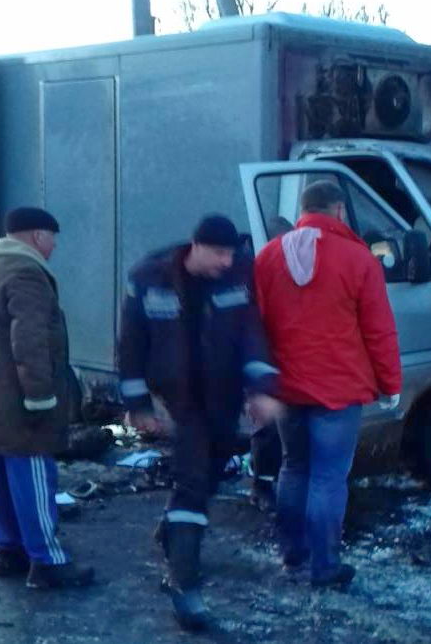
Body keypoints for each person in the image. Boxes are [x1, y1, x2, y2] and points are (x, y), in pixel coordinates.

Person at [118, 214, 283, 631]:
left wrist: (262, 388)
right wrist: (138, 404)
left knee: (211, 473)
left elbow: (251, 334)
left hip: (223, 394)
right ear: (196, 246)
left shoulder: (237, 276)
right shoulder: (149, 277)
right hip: (181, 397)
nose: (227, 261)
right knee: (192, 482)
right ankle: (184, 586)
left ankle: (172, 532)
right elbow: (131, 344)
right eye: (219, 253)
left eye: (231, 253)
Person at [253, 181, 402, 588]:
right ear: (337, 210)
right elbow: (378, 330)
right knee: (328, 477)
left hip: (287, 388)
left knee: (293, 466)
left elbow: (255, 327)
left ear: (303, 211)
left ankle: (292, 553)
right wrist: (390, 383)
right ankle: (325, 567)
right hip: (339, 390)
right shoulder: (358, 259)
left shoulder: (268, 257)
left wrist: (262, 382)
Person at [0, 207, 94, 589]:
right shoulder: (26, 273)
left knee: (2, 476)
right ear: (38, 235)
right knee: (35, 479)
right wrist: (40, 397)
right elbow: (31, 341)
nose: (54, 246)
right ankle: (47, 561)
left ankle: (10, 550)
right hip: (21, 401)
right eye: (52, 238)